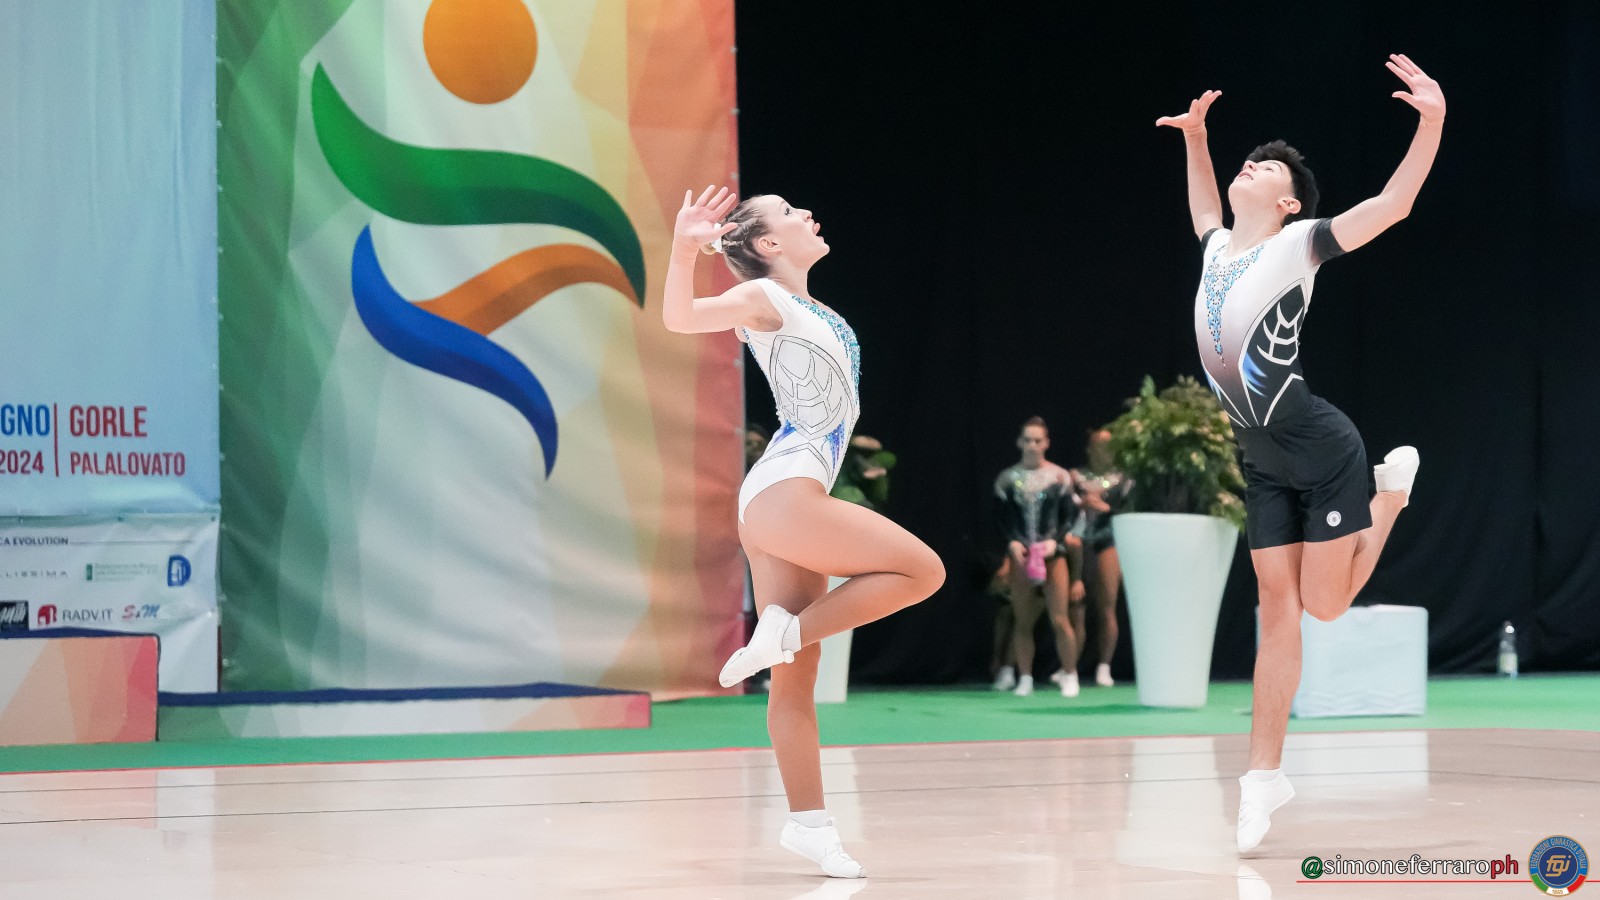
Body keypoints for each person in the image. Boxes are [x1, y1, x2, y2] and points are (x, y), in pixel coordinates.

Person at [1157, 54, 1442, 852]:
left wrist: (1432, 120)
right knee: (1276, 613)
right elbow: (1203, 206)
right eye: (1249, 161)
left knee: (1324, 607)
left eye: (1267, 168)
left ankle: (1391, 499)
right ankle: (1261, 779)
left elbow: (1393, 205)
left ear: (1287, 202)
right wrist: (1197, 139)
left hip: (1320, 447)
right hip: (1259, 457)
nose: (1251, 166)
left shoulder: (1301, 245)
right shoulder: (1218, 249)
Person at [663, 185, 945, 878]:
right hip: (785, 490)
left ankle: (809, 824)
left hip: (781, 495)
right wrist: (684, 250)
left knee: (795, 681)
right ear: (768, 245)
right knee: (922, 571)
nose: (807, 215)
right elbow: (680, 317)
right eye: (790, 213)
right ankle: (780, 635)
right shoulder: (763, 297)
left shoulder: (806, 305)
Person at [993, 417, 1085, 697]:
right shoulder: (1007, 479)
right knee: (1022, 621)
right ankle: (1025, 677)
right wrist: (1011, 542)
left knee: (1060, 618)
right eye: (1027, 440)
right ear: (1019, 443)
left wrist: (1055, 542)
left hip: (1052, 554)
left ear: (1046, 443)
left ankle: (1070, 674)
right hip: (1022, 555)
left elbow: (1070, 517)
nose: (1032, 445)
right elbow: (1001, 518)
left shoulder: (1059, 477)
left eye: (1037, 440)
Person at [1072, 429, 1127, 689]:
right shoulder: (1074, 477)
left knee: (1106, 606)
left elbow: (1131, 512)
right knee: (1076, 606)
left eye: (1109, 447)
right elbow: (1062, 508)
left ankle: (1104, 666)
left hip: (1108, 541)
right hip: (1078, 542)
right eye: (1099, 446)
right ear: (1089, 449)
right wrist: (1079, 504)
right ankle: (1069, 665)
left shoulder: (1123, 479)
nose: (1105, 452)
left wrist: (1107, 508)